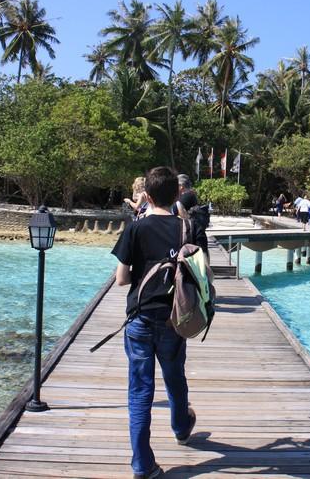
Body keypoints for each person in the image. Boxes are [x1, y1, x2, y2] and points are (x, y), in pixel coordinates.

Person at [111, 167, 206, 479]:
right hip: (174, 318)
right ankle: (181, 428)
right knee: (175, 376)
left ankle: (142, 465)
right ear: (178, 194)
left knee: (140, 392)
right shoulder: (186, 228)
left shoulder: (136, 229)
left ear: (146, 196)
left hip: (140, 318)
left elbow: (122, 279)